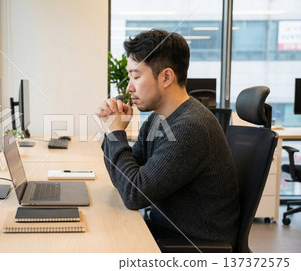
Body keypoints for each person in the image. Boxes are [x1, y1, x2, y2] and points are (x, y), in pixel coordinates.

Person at [97, 29, 240, 247]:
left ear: (166, 77)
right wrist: (111, 130)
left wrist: (116, 134)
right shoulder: (159, 118)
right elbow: (126, 177)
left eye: (136, 76)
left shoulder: (190, 127)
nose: (129, 87)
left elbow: (134, 194)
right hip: (167, 232)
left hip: (191, 246)